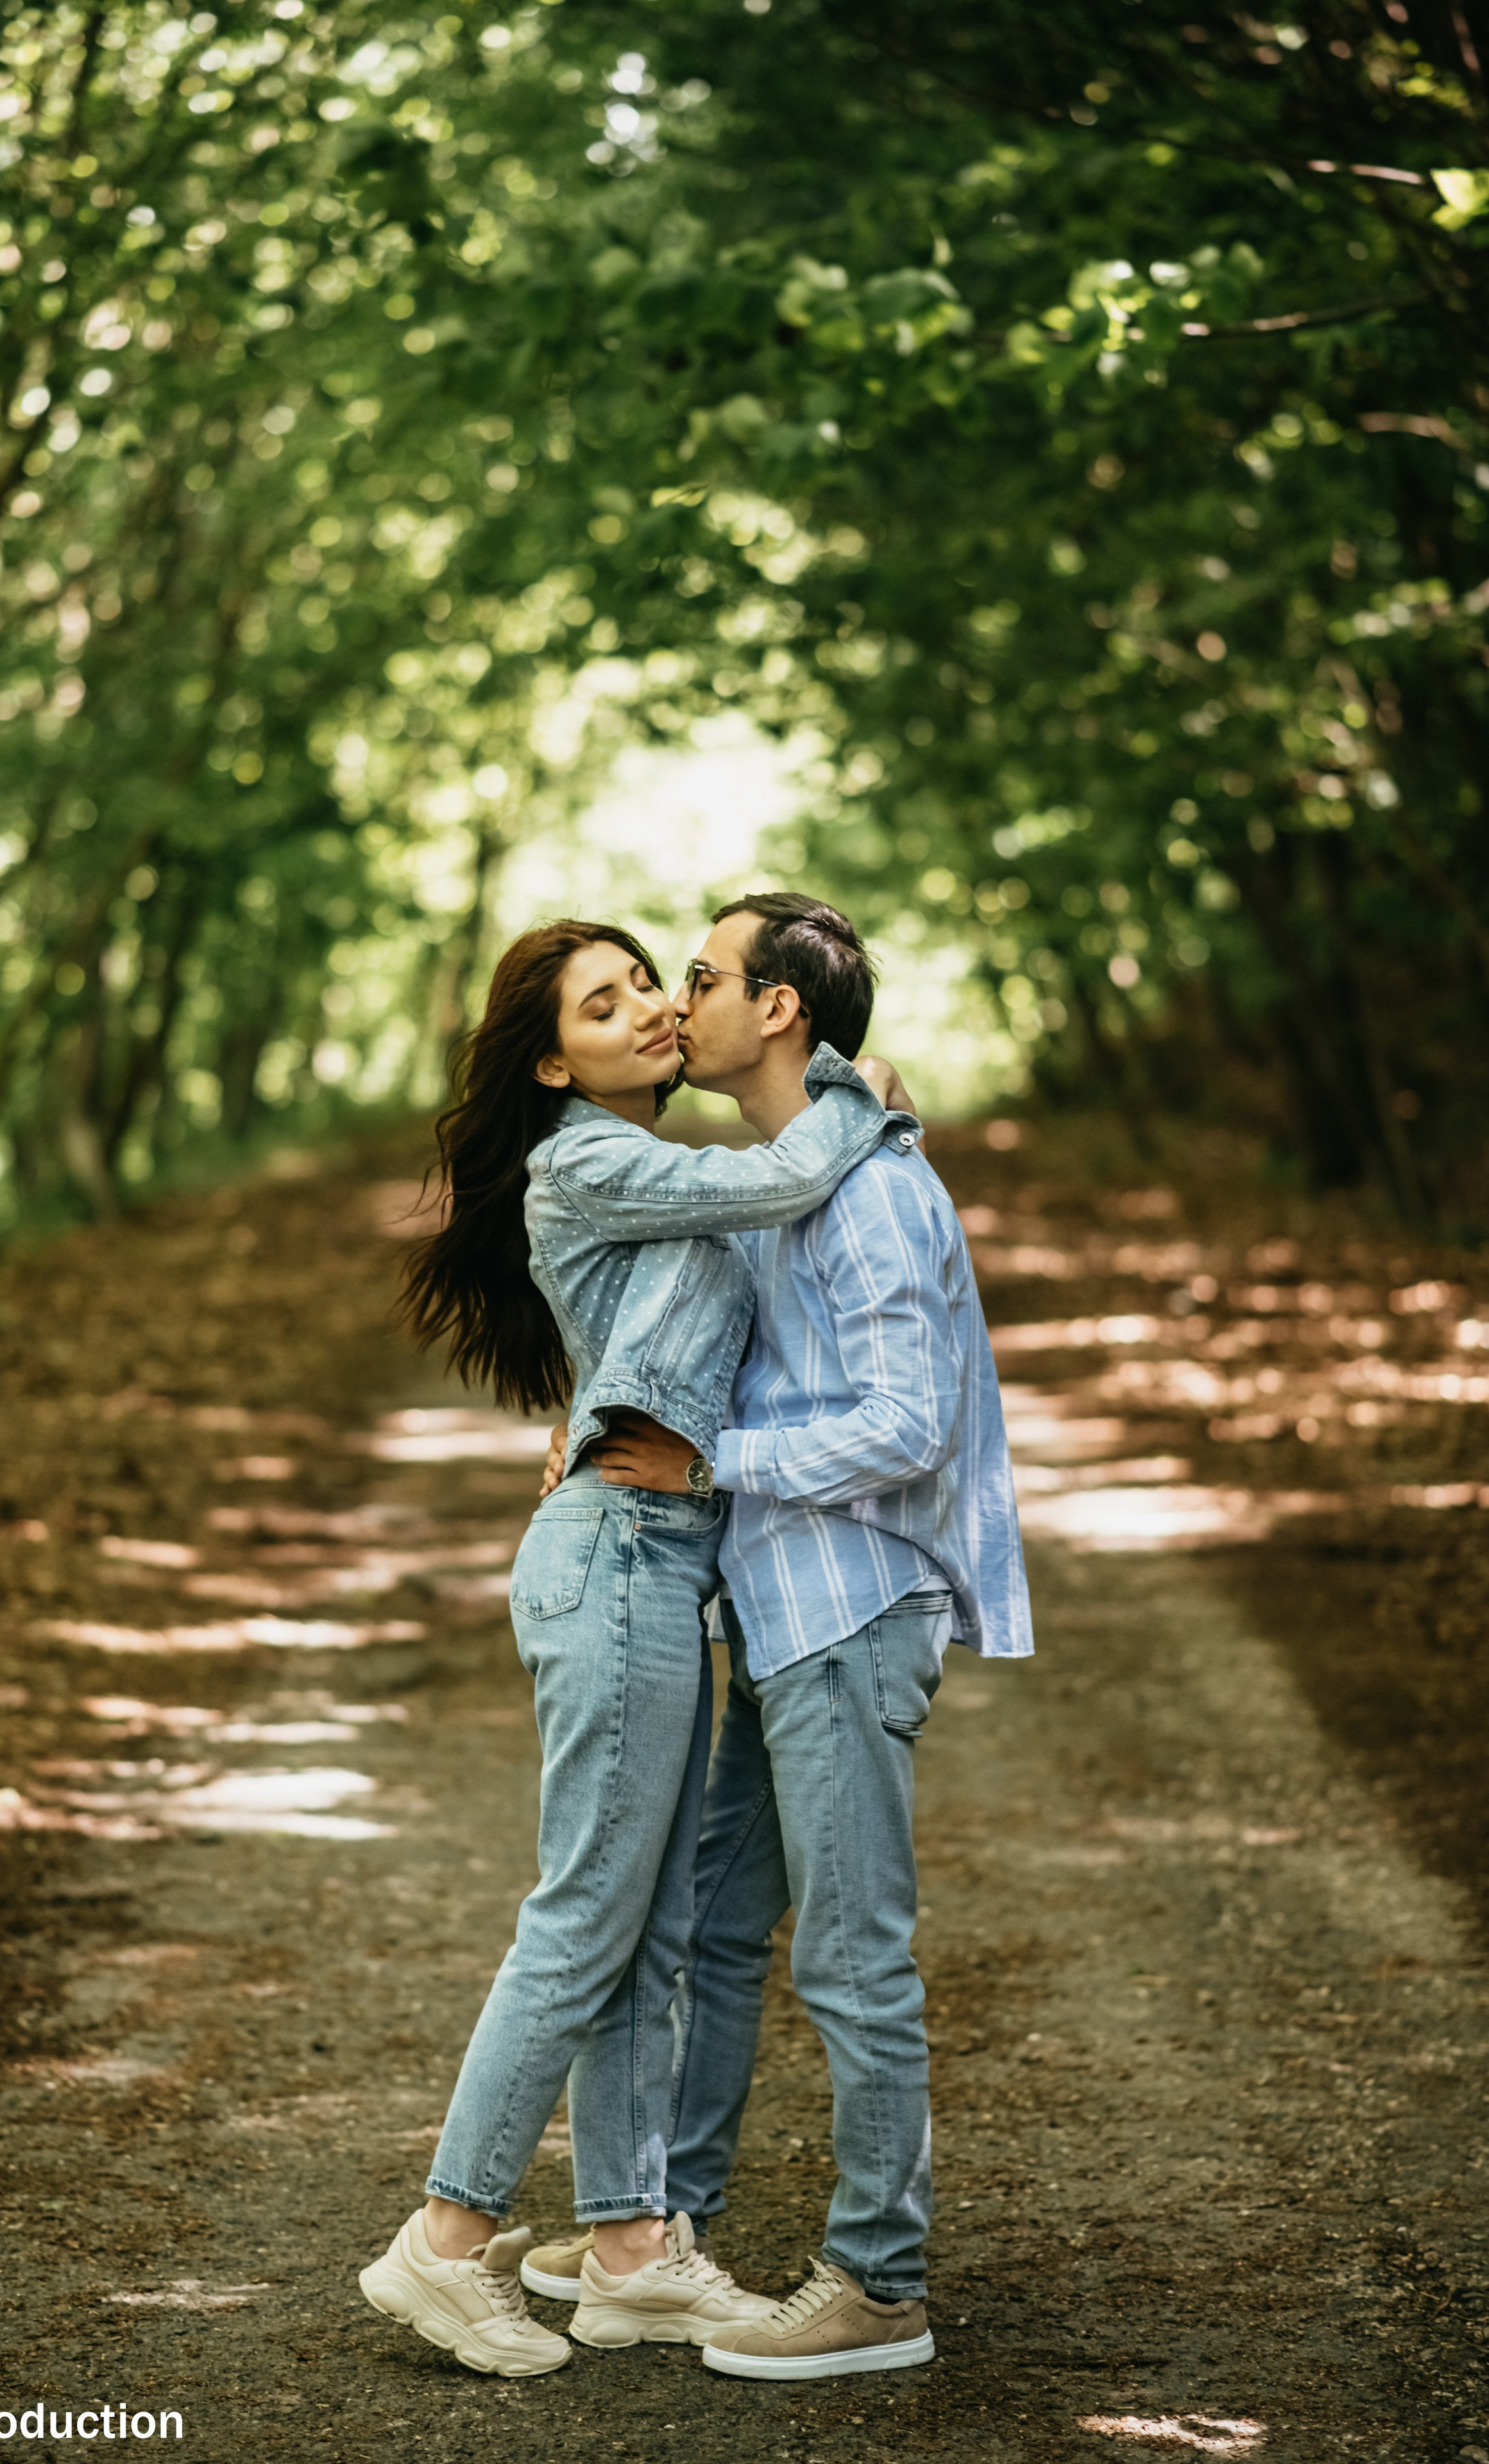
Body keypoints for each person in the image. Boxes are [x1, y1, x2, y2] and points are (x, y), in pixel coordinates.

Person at [355, 916, 919, 2377]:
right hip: (614, 1561)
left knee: (652, 1927)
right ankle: (444, 2237)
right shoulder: (586, 1155)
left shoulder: (658, 1176)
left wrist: (595, 1417)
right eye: (602, 1007)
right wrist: (857, 1089)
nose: (649, 1014)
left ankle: (628, 2252)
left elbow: (712, 1316)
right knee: (584, 1919)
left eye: (647, 986)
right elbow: (796, 1166)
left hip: (663, 1558)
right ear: (554, 1059)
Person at [525, 892, 1033, 2382]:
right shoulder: (779, 1172)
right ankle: (656, 2235)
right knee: (709, 1924)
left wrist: (707, 1469)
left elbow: (901, 1423)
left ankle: (879, 2281)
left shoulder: (869, 1191)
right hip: (773, 1605)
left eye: (699, 979)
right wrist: (594, 1428)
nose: (679, 1004)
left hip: (853, 1605)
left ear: (780, 1014)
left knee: (853, 1962)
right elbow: (715, 1349)